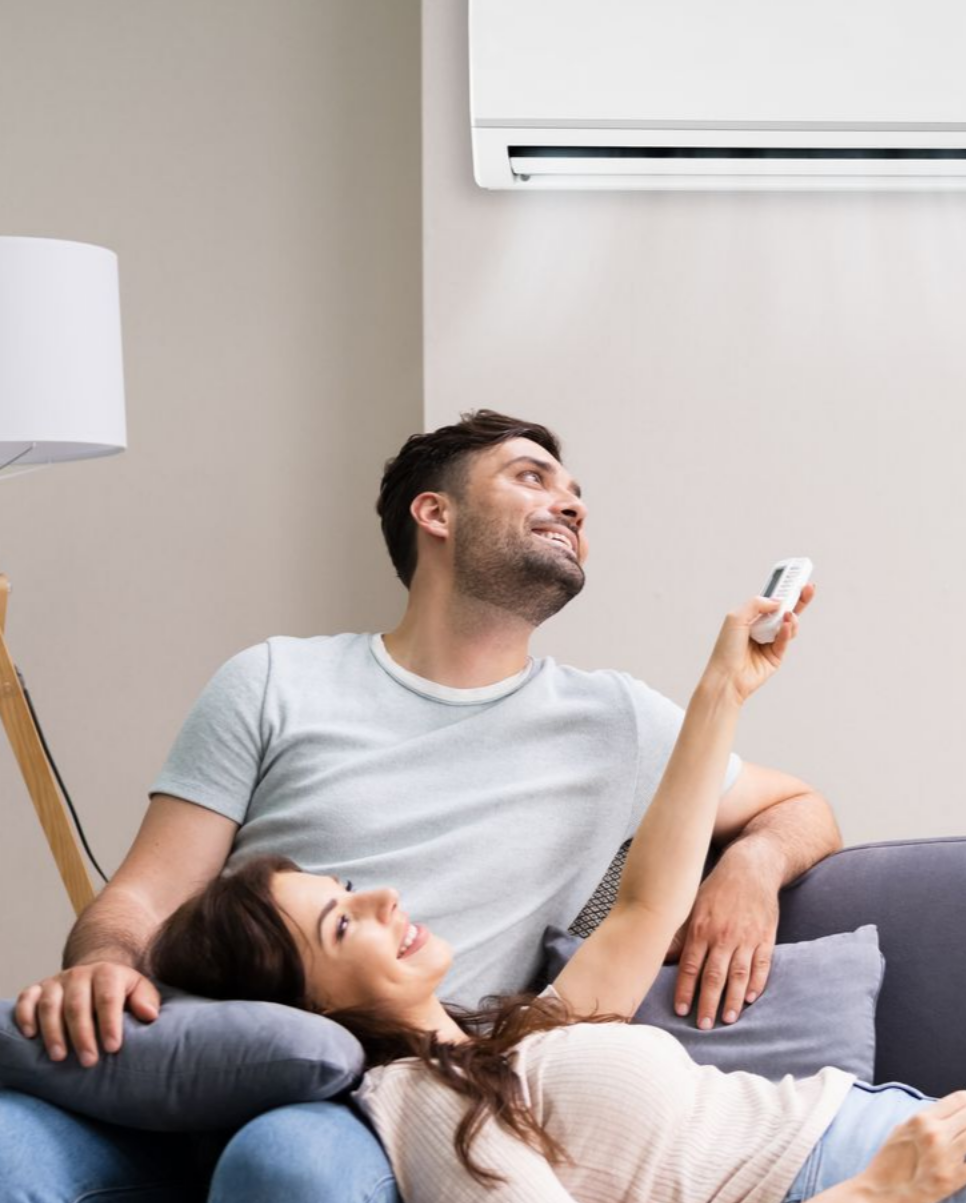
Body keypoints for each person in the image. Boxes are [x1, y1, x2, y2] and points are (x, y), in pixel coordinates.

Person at [148, 591, 966, 1203]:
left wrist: (722, 685)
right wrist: (882, 1193)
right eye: (339, 919)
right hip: (920, 1180)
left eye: (347, 883)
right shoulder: (424, 1115)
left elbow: (645, 905)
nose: (383, 896)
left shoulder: (496, 1034)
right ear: (306, 1004)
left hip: (924, 1116)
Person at [2, 410, 842, 1202]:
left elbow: (801, 807)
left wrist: (751, 869)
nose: (571, 503)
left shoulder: (618, 721)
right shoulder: (274, 681)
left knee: (289, 1160)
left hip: (386, 1091)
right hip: (212, 1054)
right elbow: (145, 897)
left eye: (577, 494)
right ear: (434, 513)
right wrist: (104, 965)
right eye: (532, 477)